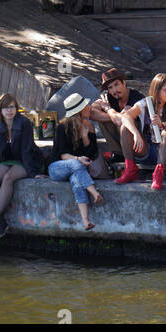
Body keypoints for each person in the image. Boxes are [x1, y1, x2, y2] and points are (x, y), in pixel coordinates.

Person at [0, 93, 44, 238]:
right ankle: (1, 222)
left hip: (25, 160)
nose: (9, 111)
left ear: (16, 109)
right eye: (5, 108)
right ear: (0, 110)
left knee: (8, 178)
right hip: (6, 160)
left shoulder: (25, 123)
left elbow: (27, 151)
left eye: (12, 107)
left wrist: (33, 173)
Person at [47, 94, 104, 230]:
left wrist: (85, 137)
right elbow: (62, 155)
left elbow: (91, 155)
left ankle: (85, 221)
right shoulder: (61, 128)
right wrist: (78, 159)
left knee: (77, 183)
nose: (89, 107)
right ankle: (94, 192)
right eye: (85, 106)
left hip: (78, 170)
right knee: (76, 164)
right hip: (57, 168)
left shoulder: (89, 126)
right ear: (79, 111)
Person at [117, 72, 166, 189]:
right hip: (146, 149)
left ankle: (158, 173)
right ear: (157, 89)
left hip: (164, 152)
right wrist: (136, 134)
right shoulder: (145, 103)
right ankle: (130, 168)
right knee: (125, 127)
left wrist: (162, 124)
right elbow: (126, 116)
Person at [89, 68, 144, 167]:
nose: (114, 90)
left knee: (124, 125)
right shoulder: (109, 97)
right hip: (119, 137)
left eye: (116, 85)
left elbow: (120, 122)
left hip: (139, 143)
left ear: (124, 83)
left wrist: (108, 109)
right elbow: (91, 113)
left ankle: (128, 157)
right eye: (110, 88)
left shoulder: (136, 97)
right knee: (103, 120)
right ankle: (118, 153)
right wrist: (113, 116)